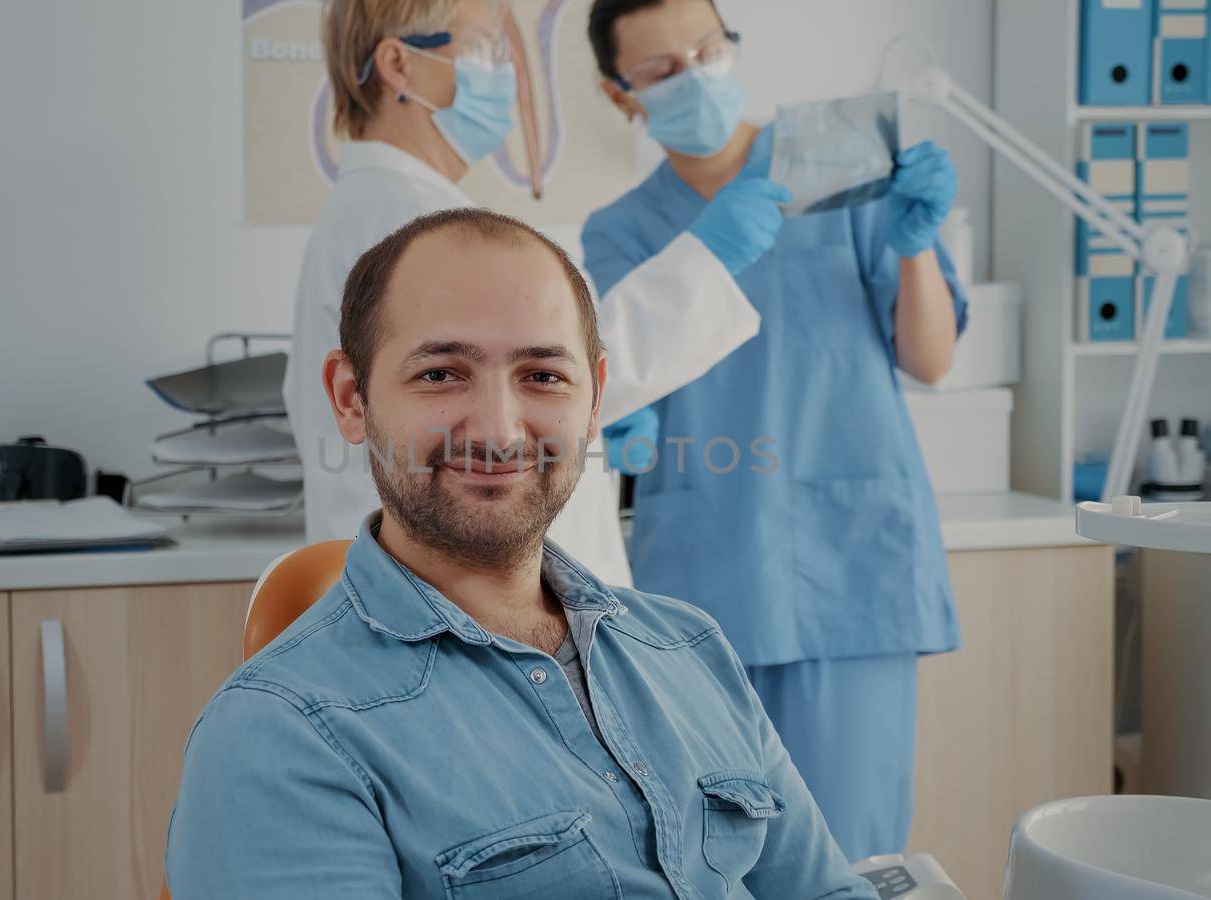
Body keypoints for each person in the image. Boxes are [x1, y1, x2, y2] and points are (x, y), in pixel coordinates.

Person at [166, 208, 879, 900]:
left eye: (542, 376)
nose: (500, 431)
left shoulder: (688, 649)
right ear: (351, 399)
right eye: (442, 374)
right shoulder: (279, 738)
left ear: (596, 399)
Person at [580, 0, 969, 861]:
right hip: (706, 568)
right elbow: (618, 377)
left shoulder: (840, 164)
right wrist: (623, 416)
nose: (696, 76)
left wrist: (916, 242)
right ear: (622, 96)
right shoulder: (618, 231)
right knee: (716, 854)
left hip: (852, 563)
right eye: (662, 70)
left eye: (708, 50)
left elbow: (931, 359)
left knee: (853, 852)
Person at [286, 0, 794, 585]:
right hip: (456, 587)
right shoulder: (413, 222)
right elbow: (549, 369)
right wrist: (709, 257)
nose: (507, 70)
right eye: (483, 47)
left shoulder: (381, 209)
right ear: (400, 64)